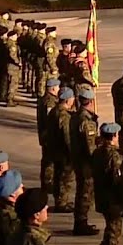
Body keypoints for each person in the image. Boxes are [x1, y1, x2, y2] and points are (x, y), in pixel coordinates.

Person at [92, 122, 123, 245]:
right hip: (112, 197)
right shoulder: (114, 156)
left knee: (110, 224)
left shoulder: (98, 152)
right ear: (114, 136)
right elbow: (117, 179)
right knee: (114, 226)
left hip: (101, 193)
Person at [70, 88, 100, 236]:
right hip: (85, 163)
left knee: (82, 190)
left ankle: (80, 221)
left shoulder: (75, 116)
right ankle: (81, 222)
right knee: (85, 193)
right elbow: (90, 147)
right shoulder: (86, 121)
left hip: (77, 158)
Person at [50, 86, 77, 214]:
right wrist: (72, 151)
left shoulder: (54, 111)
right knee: (64, 178)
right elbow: (67, 136)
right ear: (67, 100)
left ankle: (60, 200)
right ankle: (62, 202)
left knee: (58, 175)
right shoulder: (64, 116)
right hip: (63, 152)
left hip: (54, 148)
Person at [37, 78, 61, 196]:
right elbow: (49, 119)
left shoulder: (45, 99)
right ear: (52, 89)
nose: (59, 89)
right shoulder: (50, 102)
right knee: (49, 161)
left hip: (45, 135)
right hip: (48, 135)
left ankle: (47, 183)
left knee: (48, 159)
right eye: (57, 87)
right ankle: (47, 183)